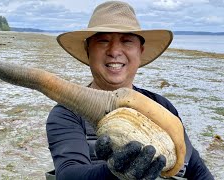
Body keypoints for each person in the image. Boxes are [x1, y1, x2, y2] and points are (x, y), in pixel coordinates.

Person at [46, 1, 214, 179]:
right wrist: (113, 174)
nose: (114, 51)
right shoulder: (67, 113)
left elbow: (196, 169)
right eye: (103, 40)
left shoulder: (162, 106)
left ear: (140, 51)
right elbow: (68, 173)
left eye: (127, 41)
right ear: (88, 49)